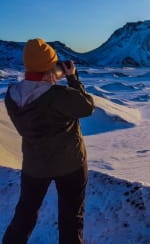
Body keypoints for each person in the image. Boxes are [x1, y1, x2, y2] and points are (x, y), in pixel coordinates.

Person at [2, 39, 95, 244]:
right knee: (71, 219)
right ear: (49, 66)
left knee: (25, 215)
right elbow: (87, 107)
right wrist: (72, 78)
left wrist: (48, 78)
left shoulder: (12, 95)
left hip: (34, 166)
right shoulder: (60, 96)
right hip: (71, 164)